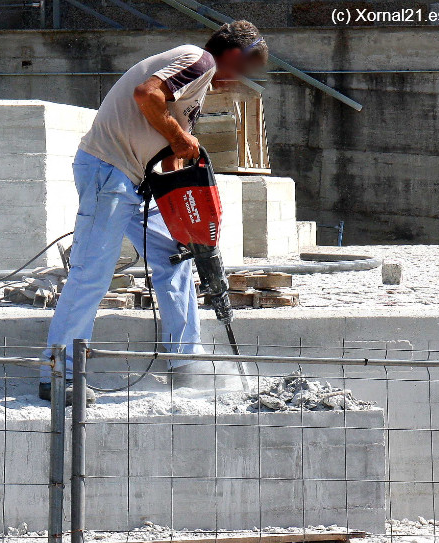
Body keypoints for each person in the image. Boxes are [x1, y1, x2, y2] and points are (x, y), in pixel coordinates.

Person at [39, 21, 269, 402]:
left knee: (174, 257)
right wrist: (181, 138)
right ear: (232, 55)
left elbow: (169, 157)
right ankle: (58, 374)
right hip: (109, 171)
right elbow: (146, 96)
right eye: (245, 68)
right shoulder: (199, 60)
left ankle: (184, 363)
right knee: (91, 273)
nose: (242, 79)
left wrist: (187, 220)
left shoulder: (197, 87)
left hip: (135, 179)